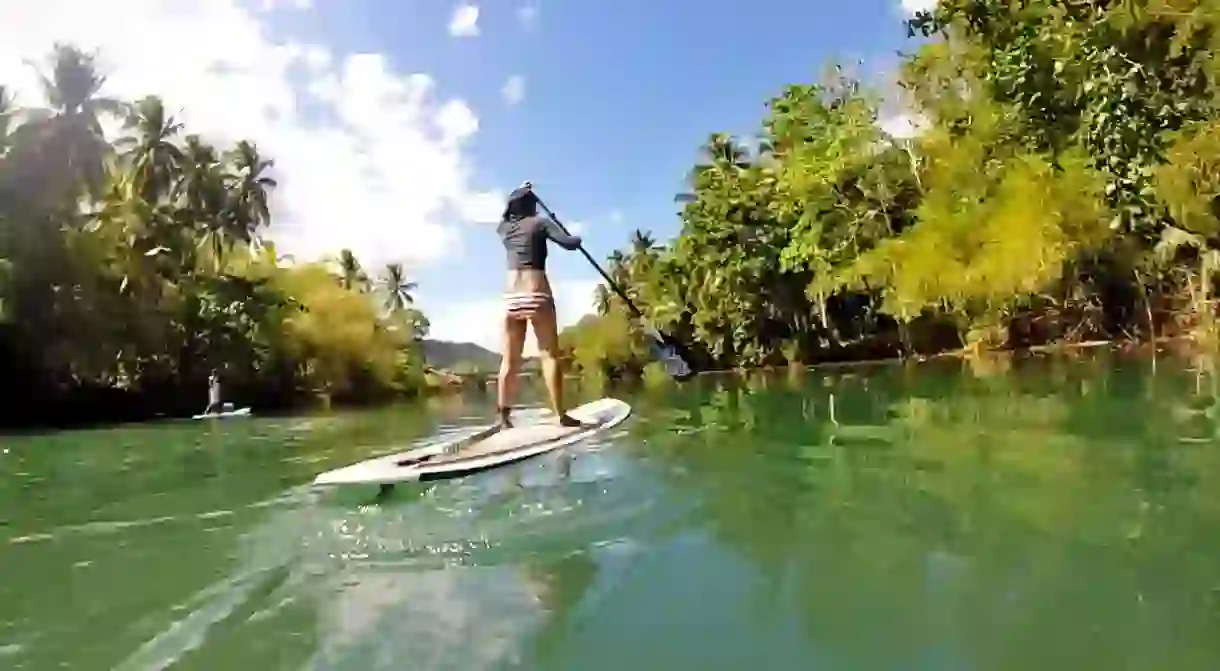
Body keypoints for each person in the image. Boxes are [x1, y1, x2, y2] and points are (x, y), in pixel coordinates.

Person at [495, 182, 584, 429]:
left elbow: (506, 212)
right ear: (531, 205)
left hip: (511, 298)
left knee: (510, 360)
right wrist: (577, 239)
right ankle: (561, 415)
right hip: (536, 293)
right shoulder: (541, 223)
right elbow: (569, 243)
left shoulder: (504, 229)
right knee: (549, 355)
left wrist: (519, 190)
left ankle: (503, 418)